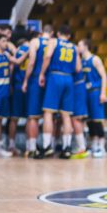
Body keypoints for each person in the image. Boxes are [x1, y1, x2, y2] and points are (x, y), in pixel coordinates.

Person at [37, 25, 81, 159]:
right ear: (69, 35)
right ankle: (66, 148)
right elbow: (78, 68)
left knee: (48, 112)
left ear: (57, 33)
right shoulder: (74, 47)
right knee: (66, 115)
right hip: (68, 78)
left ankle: (46, 146)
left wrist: (42, 73)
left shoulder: (53, 42)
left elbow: (47, 56)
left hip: (55, 76)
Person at [22, 25, 54, 157]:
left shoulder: (35, 42)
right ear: (51, 33)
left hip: (36, 79)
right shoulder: (55, 43)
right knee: (50, 115)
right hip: (50, 80)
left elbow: (31, 62)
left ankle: (32, 147)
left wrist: (25, 80)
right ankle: (49, 146)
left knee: (33, 117)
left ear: (41, 33)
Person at [79, 39, 107, 157]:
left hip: (95, 92)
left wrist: (103, 93)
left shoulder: (95, 59)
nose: (78, 47)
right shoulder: (80, 61)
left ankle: (102, 146)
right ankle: (94, 144)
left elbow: (104, 76)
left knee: (97, 120)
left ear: (86, 46)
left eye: (79, 45)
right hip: (85, 93)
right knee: (89, 121)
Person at [7, 38, 30, 155]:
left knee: (14, 118)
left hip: (17, 86)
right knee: (30, 118)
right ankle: (29, 146)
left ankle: (11, 145)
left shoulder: (16, 52)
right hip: (29, 86)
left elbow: (11, 69)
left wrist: (10, 84)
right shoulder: (31, 49)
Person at [70, 42, 89, 159]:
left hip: (77, 88)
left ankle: (82, 147)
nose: (77, 46)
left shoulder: (76, 56)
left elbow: (77, 69)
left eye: (80, 45)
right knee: (79, 118)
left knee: (76, 118)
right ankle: (82, 146)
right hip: (78, 88)